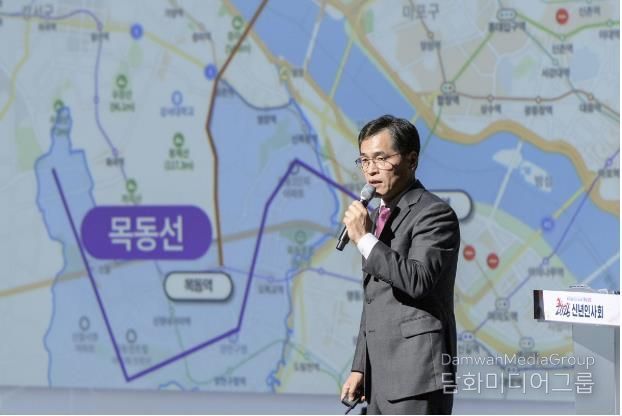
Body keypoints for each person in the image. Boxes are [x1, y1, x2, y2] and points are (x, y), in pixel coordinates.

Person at [339, 115, 460, 414]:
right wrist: (360, 366)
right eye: (364, 160)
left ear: (412, 160)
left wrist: (364, 239)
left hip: (417, 375)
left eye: (381, 158)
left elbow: (418, 280)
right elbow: (374, 299)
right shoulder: (378, 216)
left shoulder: (434, 214)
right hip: (377, 378)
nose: (371, 170)